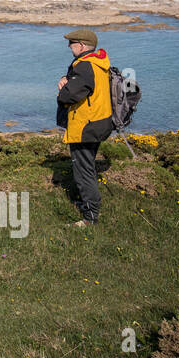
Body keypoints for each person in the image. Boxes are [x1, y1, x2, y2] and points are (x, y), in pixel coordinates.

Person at [56, 28, 113, 227]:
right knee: (88, 166)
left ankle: (90, 217)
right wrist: (69, 79)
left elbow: (70, 96)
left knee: (83, 170)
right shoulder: (99, 62)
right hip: (100, 122)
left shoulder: (84, 66)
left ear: (81, 46)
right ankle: (90, 203)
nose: (68, 47)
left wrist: (63, 88)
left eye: (71, 44)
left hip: (86, 126)